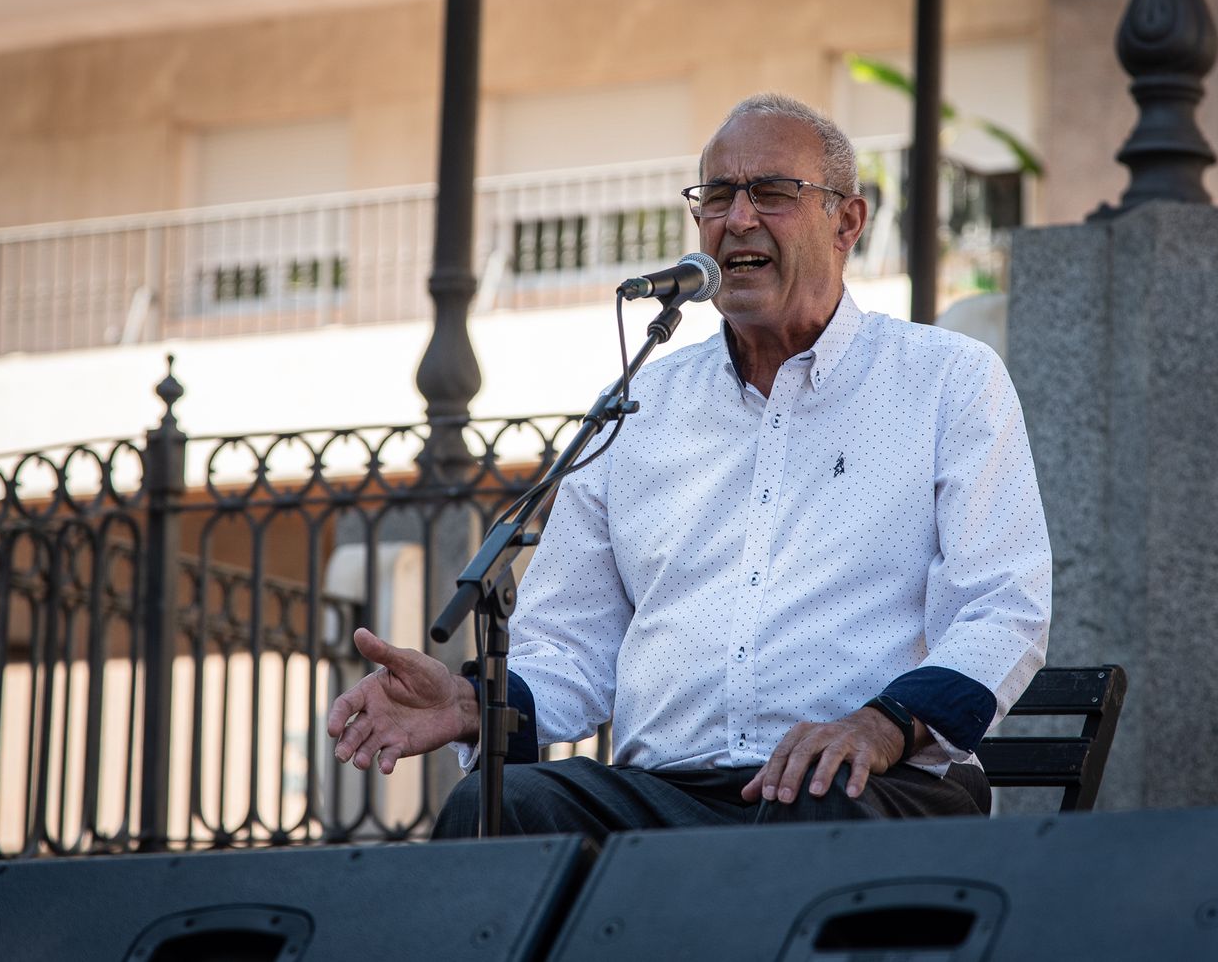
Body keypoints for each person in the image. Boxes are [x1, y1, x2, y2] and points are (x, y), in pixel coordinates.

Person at [327, 93, 1051, 841]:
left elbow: (1002, 607)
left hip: (872, 783)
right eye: (717, 196)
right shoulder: (639, 405)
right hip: (668, 792)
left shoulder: (945, 380)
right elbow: (569, 643)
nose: (737, 218)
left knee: (815, 803)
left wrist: (883, 725)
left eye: (772, 193)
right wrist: (469, 702)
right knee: (503, 807)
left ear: (847, 223)